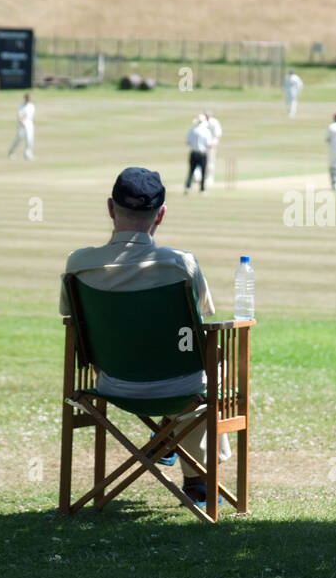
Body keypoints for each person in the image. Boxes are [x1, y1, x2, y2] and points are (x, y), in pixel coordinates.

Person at [58, 167, 230, 506]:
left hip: (112, 385)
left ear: (110, 208)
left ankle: (169, 442)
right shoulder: (181, 265)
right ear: (161, 215)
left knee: (199, 367)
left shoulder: (78, 263)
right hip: (180, 387)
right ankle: (195, 474)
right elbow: (201, 319)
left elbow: (71, 319)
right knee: (214, 362)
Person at [185, 114, 212, 193]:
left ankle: (188, 187)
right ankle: (202, 189)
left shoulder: (192, 130)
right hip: (202, 154)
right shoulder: (206, 131)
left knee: (191, 171)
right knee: (203, 172)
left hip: (193, 153)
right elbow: (209, 144)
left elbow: (188, 142)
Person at [9, 93, 35, 160]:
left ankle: (28, 154)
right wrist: (22, 122)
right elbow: (20, 116)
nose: (28, 99)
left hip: (29, 124)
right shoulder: (21, 106)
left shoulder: (31, 106)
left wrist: (29, 124)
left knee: (29, 139)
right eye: (27, 98)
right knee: (19, 139)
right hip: (22, 124)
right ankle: (11, 152)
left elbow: (31, 116)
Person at [203, 109, 222, 186]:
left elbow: (217, 135)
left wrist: (212, 144)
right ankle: (200, 177)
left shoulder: (214, 122)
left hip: (211, 146)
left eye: (208, 115)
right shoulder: (202, 122)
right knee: (201, 162)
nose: (206, 116)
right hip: (202, 146)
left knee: (210, 163)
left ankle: (210, 178)